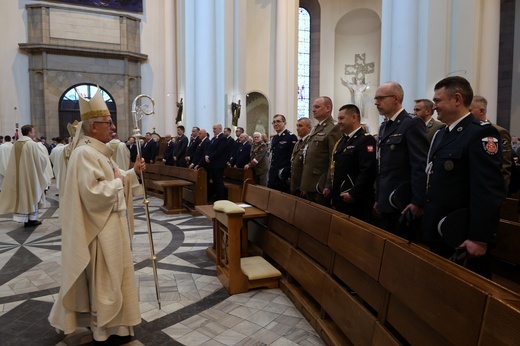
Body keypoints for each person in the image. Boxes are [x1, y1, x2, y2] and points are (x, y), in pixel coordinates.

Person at [49, 87, 145, 343]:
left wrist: (132, 173)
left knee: (117, 278)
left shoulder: (98, 151)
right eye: (108, 123)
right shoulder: (84, 153)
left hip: (112, 224)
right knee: (107, 279)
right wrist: (116, 183)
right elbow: (92, 193)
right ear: (92, 127)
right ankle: (104, 329)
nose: (112, 127)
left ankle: (120, 326)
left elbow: (116, 178)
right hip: (101, 228)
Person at [423, 76, 505, 278]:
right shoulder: (442, 134)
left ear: (457, 99)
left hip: (463, 235)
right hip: (440, 230)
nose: (434, 107)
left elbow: (487, 189)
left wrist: (479, 237)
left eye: (438, 100)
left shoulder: (481, 134)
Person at [374, 81, 428, 240]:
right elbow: (381, 166)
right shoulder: (384, 126)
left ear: (395, 98)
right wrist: (379, 197)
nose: (376, 103)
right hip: (386, 200)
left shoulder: (411, 123)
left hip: (402, 202)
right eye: (376, 99)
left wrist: (418, 201)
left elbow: (419, 165)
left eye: (381, 98)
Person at [324, 104, 377, 221]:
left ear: (354, 117)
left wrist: (354, 193)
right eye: (338, 119)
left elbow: (367, 171)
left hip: (356, 200)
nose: (339, 122)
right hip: (341, 197)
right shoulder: (343, 141)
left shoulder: (366, 140)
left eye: (341, 118)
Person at [0, 125, 48, 227]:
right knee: (32, 194)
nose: (34, 134)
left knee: (23, 195)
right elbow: (42, 160)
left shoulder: (16, 144)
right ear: (29, 133)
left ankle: (25, 218)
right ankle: (32, 219)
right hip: (31, 175)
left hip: (19, 175)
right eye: (33, 132)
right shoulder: (32, 145)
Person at [300, 96, 342, 205]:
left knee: (319, 219)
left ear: (328, 108)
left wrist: (328, 184)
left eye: (317, 107)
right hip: (310, 182)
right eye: (313, 107)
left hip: (320, 183)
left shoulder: (333, 128)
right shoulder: (316, 128)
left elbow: (333, 158)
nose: (313, 109)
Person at [469, 95, 512, 191]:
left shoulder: (498, 131)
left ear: (481, 111)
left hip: (490, 190)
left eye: (470, 111)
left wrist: (500, 196)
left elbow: (504, 167)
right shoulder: (467, 131)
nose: (467, 115)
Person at [268, 114, 297, 192]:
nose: (275, 124)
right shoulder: (275, 138)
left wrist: (289, 175)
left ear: (284, 123)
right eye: (274, 122)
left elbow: (293, 157)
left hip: (283, 175)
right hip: (273, 173)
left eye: (278, 121)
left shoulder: (291, 137)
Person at [205, 124, 229, 200]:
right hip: (213, 164)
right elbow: (209, 148)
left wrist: (210, 157)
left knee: (218, 182)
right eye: (213, 128)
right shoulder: (214, 138)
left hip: (218, 164)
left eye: (215, 128)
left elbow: (219, 151)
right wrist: (206, 155)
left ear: (220, 129)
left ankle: (221, 198)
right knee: (214, 181)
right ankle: (216, 196)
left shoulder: (223, 138)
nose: (213, 130)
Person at [290, 118, 311, 196]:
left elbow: (309, 165)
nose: (297, 128)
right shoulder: (298, 143)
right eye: (297, 126)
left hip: (303, 184)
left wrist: (305, 185)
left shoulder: (310, 142)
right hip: (295, 182)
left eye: (300, 126)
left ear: (309, 128)